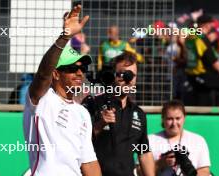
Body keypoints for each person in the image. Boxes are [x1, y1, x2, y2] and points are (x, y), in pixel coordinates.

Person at [23, 5, 101, 176]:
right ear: (56, 74)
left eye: (83, 68)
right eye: (73, 68)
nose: (80, 73)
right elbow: (43, 74)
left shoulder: (82, 113)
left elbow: (89, 162)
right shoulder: (41, 100)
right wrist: (65, 37)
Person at [82, 51, 155, 176]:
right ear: (113, 76)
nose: (129, 79)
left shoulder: (138, 113)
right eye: (124, 74)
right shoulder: (94, 103)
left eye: (132, 75)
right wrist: (100, 124)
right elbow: (79, 142)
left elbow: (144, 152)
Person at [149, 100, 211, 176]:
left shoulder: (198, 140)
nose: (174, 123)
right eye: (170, 119)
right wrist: (161, 163)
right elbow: (138, 171)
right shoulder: (150, 140)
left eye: (178, 118)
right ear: (163, 119)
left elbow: (205, 170)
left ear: (184, 118)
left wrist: (188, 168)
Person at [184, 14, 219, 106]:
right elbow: (212, 60)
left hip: (191, 74)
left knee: (203, 97)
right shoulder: (201, 38)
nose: (212, 26)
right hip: (201, 74)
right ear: (207, 25)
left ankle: (203, 115)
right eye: (211, 24)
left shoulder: (191, 36)